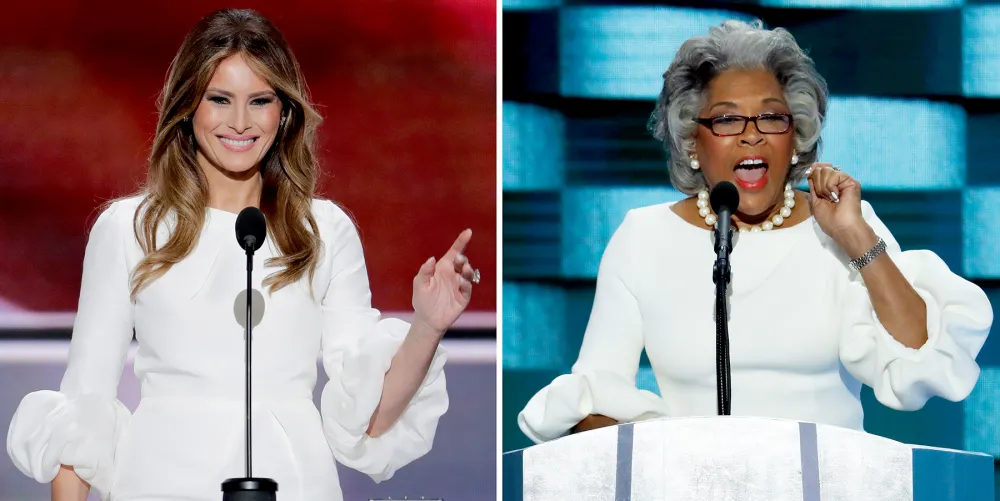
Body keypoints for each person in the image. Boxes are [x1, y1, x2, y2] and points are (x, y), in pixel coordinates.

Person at [6, 9, 480, 501]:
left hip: (294, 483)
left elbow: (367, 421)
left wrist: (428, 326)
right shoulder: (130, 229)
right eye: (220, 99)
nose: (239, 122)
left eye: (259, 101)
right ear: (189, 105)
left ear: (284, 111)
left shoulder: (323, 232)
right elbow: (85, 405)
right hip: (162, 482)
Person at [518, 20, 993, 443]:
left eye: (771, 116)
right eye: (726, 119)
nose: (752, 134)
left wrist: (857, 239)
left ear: (796, 135)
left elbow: (920, 364)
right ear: (692, 142)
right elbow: (594, 396)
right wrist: (668, 464)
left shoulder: (845, 226)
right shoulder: (643, 237)